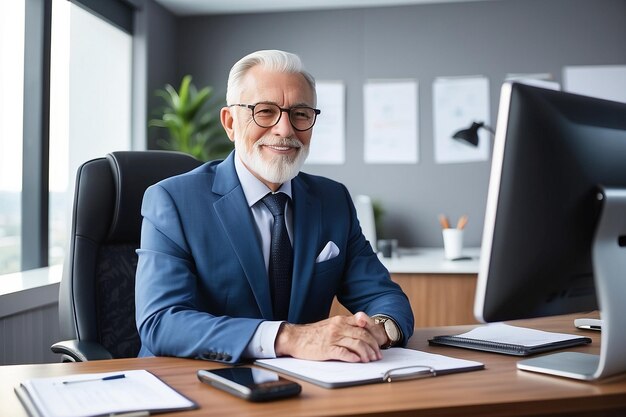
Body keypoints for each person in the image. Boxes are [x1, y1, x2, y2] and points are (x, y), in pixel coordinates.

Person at [135, 49, 414, 364]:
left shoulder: (333, 199)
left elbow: (384, 296)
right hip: (194, 382)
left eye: (300, 113)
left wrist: (378, 328)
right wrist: (289, 337)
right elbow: (161, 321)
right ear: (229, 122)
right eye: (265, 111)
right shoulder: (172, 201)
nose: (285, 130)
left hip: (304, 386)